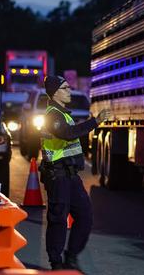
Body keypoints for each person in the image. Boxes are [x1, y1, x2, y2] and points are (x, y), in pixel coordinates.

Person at [40, 75, 111, 272]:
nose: (69, 91)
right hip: (58, 176)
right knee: (58, 220)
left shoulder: (63, 114)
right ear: (55, 93)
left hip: (70, 176)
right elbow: (67, 133)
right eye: (65, 88)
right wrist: (95, 122)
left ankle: (71, 258)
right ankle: (56, 264)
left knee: (85, 215)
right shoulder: (52, 115)